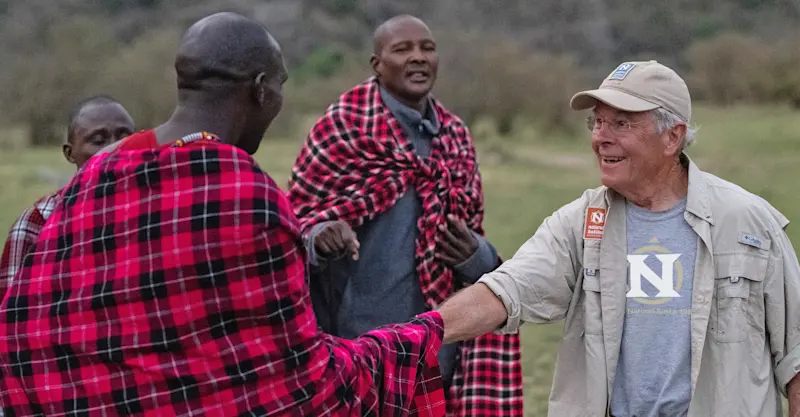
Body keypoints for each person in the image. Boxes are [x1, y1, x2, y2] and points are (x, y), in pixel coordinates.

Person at [0, 12, 447, 417]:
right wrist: (428, 333)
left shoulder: (96, 178)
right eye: (279, 85)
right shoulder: (242, 191)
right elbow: (297, 378)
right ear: (260, 89)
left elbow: (34, 327)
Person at [435, 60, 800, 417]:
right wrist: (422, 334)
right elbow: (505, 290)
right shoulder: (580, 223)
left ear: (672, 136)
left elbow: (796, 355)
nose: (601, 138)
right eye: (597, 122)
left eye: (621, 124)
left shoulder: (748, 222)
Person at [287, 15, 523, 416]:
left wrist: (477, 255)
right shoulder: (342, 128)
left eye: (427, 48)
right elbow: (297, 227)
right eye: (402, 49)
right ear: (377, 64)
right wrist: (321, 236)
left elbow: (475, 241)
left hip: (436, 353)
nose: (418, 57)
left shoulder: (454, 136)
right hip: (357, 352)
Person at [0, 95, 135, 298]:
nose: (116, 148)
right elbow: (11, 309)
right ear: (70, 154)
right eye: (98, 141)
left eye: (126, 138)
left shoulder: (157, 210)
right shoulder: (36, 223)